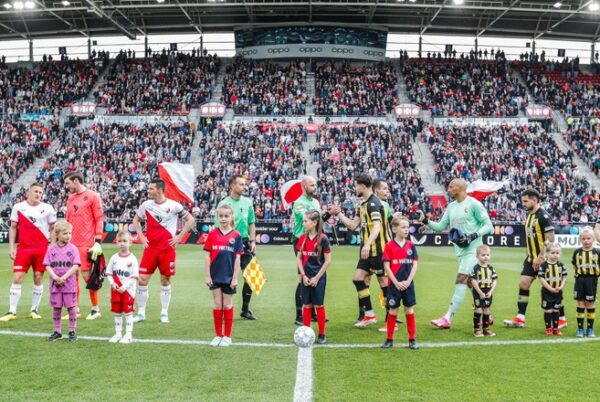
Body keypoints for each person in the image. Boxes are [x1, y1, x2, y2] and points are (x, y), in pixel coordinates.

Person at [416, 178, 494, 329]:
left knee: (461, 279)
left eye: (451, 186)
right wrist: (425, 220)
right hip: (460, 251)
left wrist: (473, 236)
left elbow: (489, 226)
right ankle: (487, 314)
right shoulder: (451, 206)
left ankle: (448, 317)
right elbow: (440, 227)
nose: (448, 189)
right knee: (471, 283)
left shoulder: (474, 204)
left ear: (460, 188)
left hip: (474, 251)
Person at [133, 178, 195, 323]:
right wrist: (141, 237)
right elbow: (136, 220)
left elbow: (191, 220)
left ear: (160, 190)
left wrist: (179, 237)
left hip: (167, 249)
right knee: (142, 279)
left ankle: (164, 313)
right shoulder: (146, 205)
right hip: (150, 248)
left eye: (151, 188)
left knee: (165, 280)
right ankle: (141, 313)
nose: (148, 191)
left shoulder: (174, 206)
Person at [333, 173, 391, 328]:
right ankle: (369, 315)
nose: (355, 188)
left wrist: (367, 244)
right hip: (368, 251)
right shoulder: (363, 205)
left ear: (363, 186)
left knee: (383, 282)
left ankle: (391, 319)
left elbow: (377, 226)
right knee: (358, 279)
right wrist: (339, 214)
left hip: (380, 250)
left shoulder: (373, 203)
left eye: (356, 185)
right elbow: (353, 225)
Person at [504, 189, 565, 328]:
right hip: (531, 258)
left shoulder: (543, 216)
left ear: (535, 200)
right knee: (523, 284)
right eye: (523, 201)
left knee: (552, 288)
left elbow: (551, 239)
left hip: (545, 259)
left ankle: (562, 318)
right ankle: (520, 318)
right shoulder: (529, 215)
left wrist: (541, 256)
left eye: (526, 201)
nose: (523, 204)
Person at [0, 183, 57, 322]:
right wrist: (11, 247)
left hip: (41, 248)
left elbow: (53, 228)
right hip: (24, 248)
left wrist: (52, 246)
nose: (38, 194)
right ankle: (12, 311)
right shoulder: (18, 207)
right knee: (17, 277)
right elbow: (13, 227)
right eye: (36, 191)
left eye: (40, 192)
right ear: (29, 192)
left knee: (38, 277)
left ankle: (34, 310)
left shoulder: (48, 208)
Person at [216, 175, 258, 320]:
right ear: (232, 186)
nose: (244, 187)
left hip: (245, 242)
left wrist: (253, 241)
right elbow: (218, 226)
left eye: (244, 184)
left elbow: (251, 223)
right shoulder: (223, 203)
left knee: (252, 277)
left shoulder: (248, 202)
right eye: (241, 184)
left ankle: (245, 310)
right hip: (227, 243)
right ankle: (224, 308)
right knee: (226, 278)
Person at [64, 171, 104, 321]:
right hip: (71, 244)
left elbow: (99, 218)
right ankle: (75, 310)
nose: (66, 186)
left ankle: (95, 309)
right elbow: (68, 220)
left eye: (68, 183)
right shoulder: (71, 198)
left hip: (86, 244)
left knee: (88, 277)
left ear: (76, 181)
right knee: (72, 279)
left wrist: (98, 240)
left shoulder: (93, 196)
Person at [204, 204, 243, 347]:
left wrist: (235, 278)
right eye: (221, 216)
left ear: (232, 217)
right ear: (217, 217)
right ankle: (218, 335)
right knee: (217, 304)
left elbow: (237, 258)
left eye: (226, 216)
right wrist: (207, 275)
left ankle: (227, 336)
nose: (223, 218)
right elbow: (207, 256)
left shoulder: (236, 236)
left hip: (229, 277)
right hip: (215, 275)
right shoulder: (212, 234)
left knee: (227, 304)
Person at [381, 216, 419, 350]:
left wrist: (408, 281)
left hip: (408, 284)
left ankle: (412, 339)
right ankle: (389, 339)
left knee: (409, 309)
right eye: (403, 227)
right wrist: (396, 282)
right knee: (393, 310)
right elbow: (387, 267)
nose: (406, 230)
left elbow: (415, 264)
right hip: (393, 285)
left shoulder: (411, 245)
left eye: (408, 227)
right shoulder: (389, 246)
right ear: (395, 229)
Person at [296, 210, 331, 345]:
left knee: (319, 304)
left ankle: (322, 334)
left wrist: (317, 278)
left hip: (319, 277)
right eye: (303, 221)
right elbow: (299, 258)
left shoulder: (323, 239)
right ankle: (306, 332)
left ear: (314, 222)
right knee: (306, 304)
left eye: (306, 221)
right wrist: (303, 275)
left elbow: (328, 261)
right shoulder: (302, 238)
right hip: (306, 277)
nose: (303, 223)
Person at [292, 176, 323, 325]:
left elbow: (318, 222)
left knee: (315, 274)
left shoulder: (316, 202)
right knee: (303, 278)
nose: (315, 187)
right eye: (312, 185)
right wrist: (324, 214)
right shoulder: (299, 203)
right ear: (304, 186)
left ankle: (312, 313)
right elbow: (309, 219)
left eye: (315, 185)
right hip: (302, 241)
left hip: (315, 241)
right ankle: (299, 314)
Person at [44, 221, 81, 342]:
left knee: (71, 308)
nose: (68, 235)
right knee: (56, 308)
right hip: (55, 285)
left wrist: (64, 277)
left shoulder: (73, 249)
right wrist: (55, 277)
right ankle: (57, 331)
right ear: (57, 234)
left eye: (70, 233)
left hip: (69, 285)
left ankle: (72, 331)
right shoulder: (51, 249)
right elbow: (47, 265)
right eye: (65, 233)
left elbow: (76, 266)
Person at [106, 231, 139, 344]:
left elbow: (134, 276)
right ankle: (118, 333)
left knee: (128, 313)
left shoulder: (133, 259)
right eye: (119, 241)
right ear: (116, 243)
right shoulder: (114, 258)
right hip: (116, 290)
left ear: (130, 243)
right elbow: (109, 273)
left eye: (125, 241)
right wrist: (112, 283)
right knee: (117, 312)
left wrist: (125, 286)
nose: (122, 243)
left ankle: (128, 335)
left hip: (128, 291)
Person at [571, 227, 600, 337]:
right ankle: (580, 329)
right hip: (580, 280)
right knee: (580, 303)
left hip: (591, 280)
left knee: (590, 303)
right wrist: (576, 274)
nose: (586, 241)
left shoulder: (597, 252)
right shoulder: (577, 252)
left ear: (593, 239)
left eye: (588, 238)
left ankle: (590, 328)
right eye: (583, 239)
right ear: (580, 240)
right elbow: (574, 265)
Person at [538, 243, 567, 336]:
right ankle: (548, 329)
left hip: (558, 292)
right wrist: (550, 288)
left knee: (556, 310)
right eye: (553, 253)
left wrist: (561, 287)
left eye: (557, 253)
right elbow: (541, 278)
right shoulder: (544, 265)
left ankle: (555, 328)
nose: (555, 255)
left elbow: (564, 277)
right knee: (548, 310)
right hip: (547, 292)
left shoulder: (561, 265)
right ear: (547, 253)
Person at [470, 245, 497, 337]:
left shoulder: (491, 268)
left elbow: (494, 281)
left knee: (486, 309)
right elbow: (473, 281)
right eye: (483, 255)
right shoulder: (475, 268)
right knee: (478, 309)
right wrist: (480, 293)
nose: (486, 257)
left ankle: (486, 329)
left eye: (487, 255)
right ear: (477, 256)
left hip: (488, 292)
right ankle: (477, 330)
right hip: (478, 292)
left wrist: (490, 292)